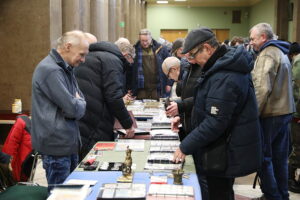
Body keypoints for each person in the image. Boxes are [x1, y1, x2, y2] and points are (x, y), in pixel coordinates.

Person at [172, 27, 262, 200]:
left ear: (207, 48)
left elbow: (215, 122)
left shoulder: (225, 75)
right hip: (220, 148)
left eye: (193, 54)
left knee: (219, 193)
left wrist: (185, 146)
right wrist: (182, 111)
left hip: (225, 151)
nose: (193, 60)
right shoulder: (219, 67)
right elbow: (207, 101)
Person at [31, 30, 88, 192]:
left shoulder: (65, 69)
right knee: (61, 195)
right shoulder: (52, 70)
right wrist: (78, 102)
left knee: (71, 193)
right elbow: (73, 108)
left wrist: (78, 102)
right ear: (68, 46)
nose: (83, 60)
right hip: (57, 146)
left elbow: (79, 102)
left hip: (67, 142)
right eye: (81, 54)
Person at [249, 23, 295, 200]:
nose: (251, 42)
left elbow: (261, 88)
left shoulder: (267, 53)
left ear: (263, 37)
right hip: (284, 112)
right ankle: (282, 195)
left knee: (263, 158)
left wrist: (254, 116)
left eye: (253, 38)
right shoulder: (281, 52)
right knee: (279, 158)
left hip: (270, 114)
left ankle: (271, 195)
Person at [74, 38, 136, 160]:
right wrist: (128, 124)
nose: (129, 65)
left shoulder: (95, 55)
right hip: (95, 118)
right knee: (93, 159)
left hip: (83, 113)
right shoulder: (112, 60)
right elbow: (113, 96)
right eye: (130, 61)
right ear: (126, 55)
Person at [129, 29, 170, 100]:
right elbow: (129, 70)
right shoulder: (134, 50)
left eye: (146, 40)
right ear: (139, 39)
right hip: (141, 89)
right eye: (142, 41)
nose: (144, 43)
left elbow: (170, 66)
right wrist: (129, 87)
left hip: (157, 88)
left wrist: (169, 83)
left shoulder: (161, 49)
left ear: (151, 39)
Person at [288, 42, 300, 193]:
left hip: (298, 114)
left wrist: (296, 113)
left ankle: (291, 181)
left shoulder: (297, 62)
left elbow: (297, 90)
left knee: (297, 148)